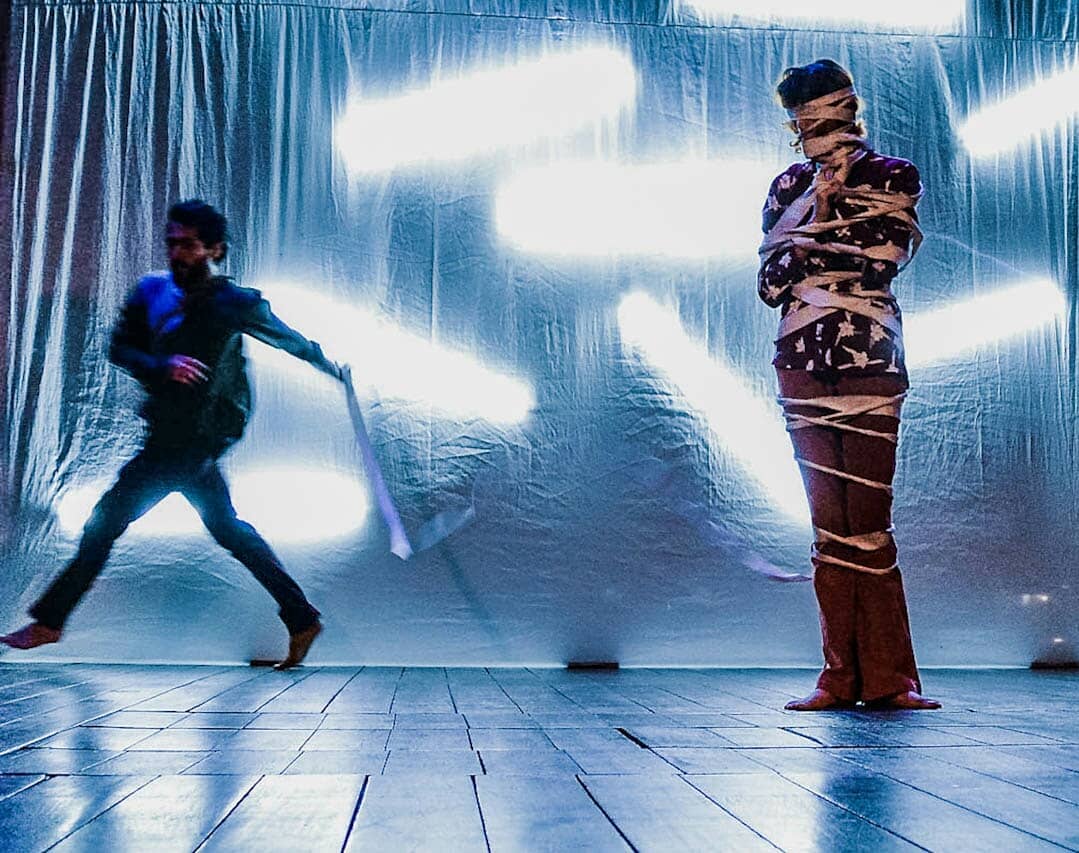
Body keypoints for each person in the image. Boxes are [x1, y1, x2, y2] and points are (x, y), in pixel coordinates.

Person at [1, 200, 343, 669]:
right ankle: (301, 617)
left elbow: (289, 340)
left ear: (214, 250)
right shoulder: (151, 292)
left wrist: (334, 369)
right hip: (168, 431)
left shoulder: (234, 302)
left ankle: (49, 622)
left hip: (195, 439)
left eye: (188, 245)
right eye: (172, 243)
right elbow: (121, 348)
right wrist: (164, 365)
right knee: (227, 530)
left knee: (106, 522)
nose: (177, 253)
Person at [757, 61, 940, 710]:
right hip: (801, 361)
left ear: (846, 111)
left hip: (868, 361)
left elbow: (882, 261)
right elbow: (770, 284)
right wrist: (822, 216)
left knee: (867, 525)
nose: (810, 132)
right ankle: (838, 676)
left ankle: (890, 679)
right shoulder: (788, 186)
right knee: (829, 528)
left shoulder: (893, 176)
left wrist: (814, 234)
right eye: (801, 122)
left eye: (817, 117)